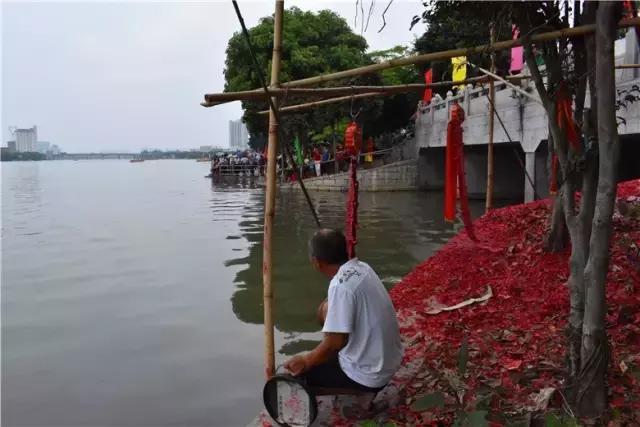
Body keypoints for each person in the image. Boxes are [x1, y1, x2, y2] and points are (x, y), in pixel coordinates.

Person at [284, 229, 403, 393]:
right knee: (324, 310)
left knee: (299, 378)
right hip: (391, 360)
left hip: (371, 375)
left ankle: (362, 394)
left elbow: (336, 343)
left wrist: (306, 360)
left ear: (316, 262)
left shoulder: (340, 286)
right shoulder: (363, 267)